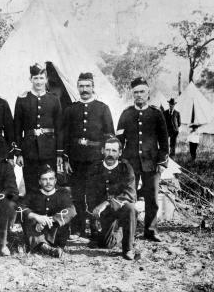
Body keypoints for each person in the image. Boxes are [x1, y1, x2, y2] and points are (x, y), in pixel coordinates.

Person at [116, 77, 169, 242]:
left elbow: (164, 141)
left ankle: (151, 230)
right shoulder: (126, 114)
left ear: (148, 93)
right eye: (136, 92)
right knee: (128, 197)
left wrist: (162, 162)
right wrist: (121, 162)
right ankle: (127, 230)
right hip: (131, 164)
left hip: (151, 164)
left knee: (152, 198)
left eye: (142, 92)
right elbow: (119, 140)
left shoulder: (156, 114)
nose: (139, 95)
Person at [63, 72, 114, 239]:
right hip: (76, 159)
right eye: (81, 86)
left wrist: (104, 158)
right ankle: (78, 229)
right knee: (77, 194)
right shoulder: (71, 109)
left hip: (95, 159)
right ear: (77, 87)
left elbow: (109, 135)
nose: (84, 89)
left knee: (93, 194)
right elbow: (66, 135)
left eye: (87, 86)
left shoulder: (102, 108)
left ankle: (94, 229)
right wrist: (66, 158)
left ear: (93, 87)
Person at [14, 63, 63, 192]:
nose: (39, 81)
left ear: (46, 79)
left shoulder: (54, 99)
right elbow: (17, 128)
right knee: (31, 185)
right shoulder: (22, 99)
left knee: (49, 184)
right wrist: (18, 152)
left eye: (41, 78)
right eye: (35, 78)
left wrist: (59, 152)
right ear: (30, 79)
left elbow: (59, 128)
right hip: (29, 150)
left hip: (49, 149)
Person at [86, 138, 136, 260]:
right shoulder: (95, 168)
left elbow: (130, 193)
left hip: (120, 207)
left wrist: (107, 202)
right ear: (102, 151)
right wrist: (94, 218)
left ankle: (128, 248)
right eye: (107, 150)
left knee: (130, 208)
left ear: (119, 153)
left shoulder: (126, 168)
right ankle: (122, 231)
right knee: (106, 244)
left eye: (114, 150)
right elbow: (90, 194)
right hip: (103, 212)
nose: (110, 153)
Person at [18, 164, 76, 257]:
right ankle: (46, 248)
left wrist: (50, 220)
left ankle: (45, 247)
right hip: (36, 231)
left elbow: (71, 210)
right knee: (27, 217)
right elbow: (20, 207)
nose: (48, 182)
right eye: (44, 179)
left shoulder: (63, 193)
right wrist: (36, 217)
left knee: (68, 213)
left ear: (55, 180)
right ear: (39, 181)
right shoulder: (33, 194)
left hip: (56, 233)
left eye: (51, 179)